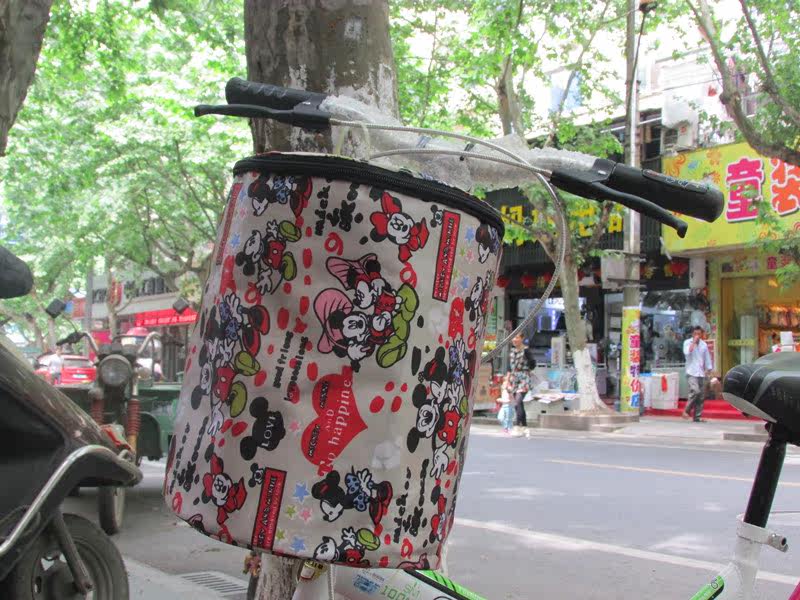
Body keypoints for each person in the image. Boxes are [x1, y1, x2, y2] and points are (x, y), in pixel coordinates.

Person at [682, 326, 713, 422]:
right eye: (695, 333)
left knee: (701, 396)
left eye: (699, 334)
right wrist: (694, 343)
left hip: (701, 372)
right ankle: (686, 411)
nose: (697, 335)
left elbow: (707, 357)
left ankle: (697, 417)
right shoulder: (687, 342)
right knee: (695, 391)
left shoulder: (704, 345)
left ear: (702, 334)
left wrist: (709, 368)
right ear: (692, 334)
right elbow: (687, 352)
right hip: (691, 371)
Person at [507, 333, 534, 436]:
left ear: (522, 338)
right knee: (518, 404)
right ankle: (524, 426)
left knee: (518, 400)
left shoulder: (526, 351)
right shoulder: (512, 351)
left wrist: (526, 370)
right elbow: (509, 367)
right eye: (513, 338)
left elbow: (533, 364)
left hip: (524, 379)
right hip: (514, 379)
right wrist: (507, 381)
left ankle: (518, 426)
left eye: (517, 337)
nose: (514, 340)